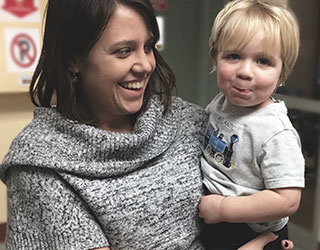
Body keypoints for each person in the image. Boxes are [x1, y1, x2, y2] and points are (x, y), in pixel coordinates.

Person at [0, 0, 294, 249]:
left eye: (148, 46)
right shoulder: (42, 166)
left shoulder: (187, 120)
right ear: (73, 59)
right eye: (123, 51)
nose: (145, 65)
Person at [198, 0, 305, 249]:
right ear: (216, 58)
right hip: (214, 219)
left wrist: (224, 208)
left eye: (263, 61)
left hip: (249, 231)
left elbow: (287, 200)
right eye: (234, 56)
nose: (245, 71)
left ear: (282, 71)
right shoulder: (221, 102)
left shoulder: (276, 132)